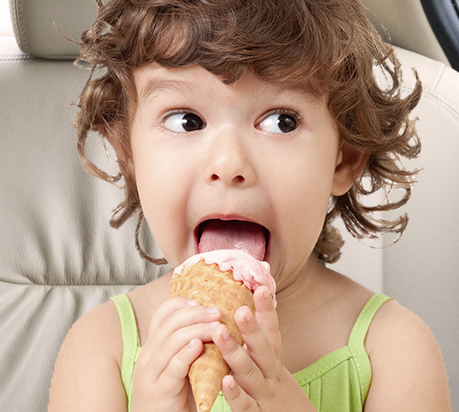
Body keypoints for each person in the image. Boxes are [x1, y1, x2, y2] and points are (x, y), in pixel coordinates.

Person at [48, 0, 452, 411]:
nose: (228, 164)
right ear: (127, 153)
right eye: (186, 120)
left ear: (344, 157)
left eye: (282, 121)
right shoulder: (101, 347)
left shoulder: (394, 349)